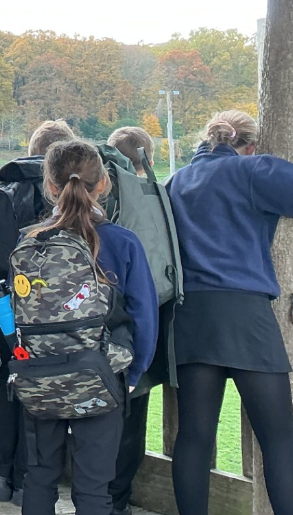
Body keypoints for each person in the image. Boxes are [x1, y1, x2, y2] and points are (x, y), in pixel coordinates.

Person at [167, 111, 293, 515]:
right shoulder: (252, 170)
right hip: (244, 314)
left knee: (193, 437)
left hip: (189, 316)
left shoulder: (176, 181)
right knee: (278, 440)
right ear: (250, 145)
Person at [18, 140, 158, 515]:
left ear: (49, 186)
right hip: (101, 371)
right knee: (95, 485)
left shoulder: (30, 241)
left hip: (40, 370)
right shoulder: (122, 241)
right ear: (104, 183)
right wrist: (136, 369)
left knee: (40, 475)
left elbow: (16, 311)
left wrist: (22, 357)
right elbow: (144, 314)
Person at [0, 118, 75, 505]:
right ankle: (27, 483)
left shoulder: (2, 184)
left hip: (5, 309)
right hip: (45, 317)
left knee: (8, 390)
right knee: (38, 398)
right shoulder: (54, 194)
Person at [105, 125, 161, 515]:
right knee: (129, 422)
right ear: (148, 159)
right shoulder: (151, 201)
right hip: (125, 339)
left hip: (69, 340)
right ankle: (116, 500)